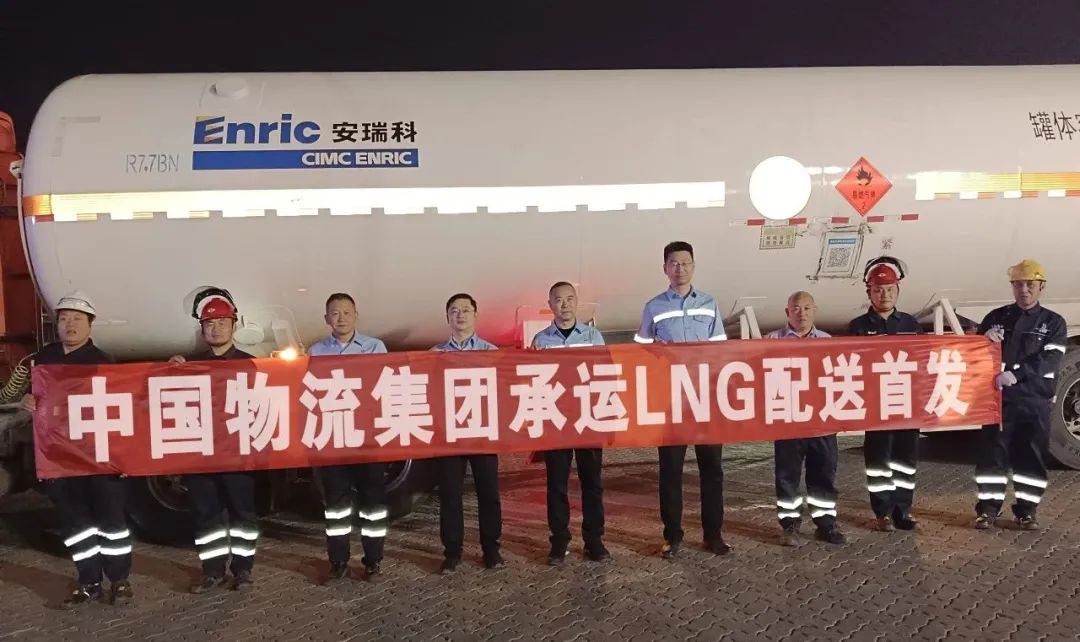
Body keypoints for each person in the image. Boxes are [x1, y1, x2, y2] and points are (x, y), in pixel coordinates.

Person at [24, 291, 134, 608]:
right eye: (64, 318)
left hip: (98, 457)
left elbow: (122, 408)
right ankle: (89, 582)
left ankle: (120, 581)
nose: (69, 324)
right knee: (75, 525)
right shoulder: (44, 360)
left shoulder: (103, 362)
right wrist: (28, 401)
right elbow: (35, 399)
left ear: (90, 324)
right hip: (60, 459)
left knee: (111, 523)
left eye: (77, 319)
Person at [635, 241, 730, 558]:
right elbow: (641, 351)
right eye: (674, 264)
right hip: (672, 401)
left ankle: (713, 535)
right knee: (671, 471)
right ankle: (672, 536)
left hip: (704, 399)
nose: (680, 269)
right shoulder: (653, 307)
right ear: (665, 268)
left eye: (685, 263)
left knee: (712, 470)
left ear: (693, 266)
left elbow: (720, 348)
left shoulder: (709, 303)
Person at [168, 287, 259, 593]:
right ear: (202, 328)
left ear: (234, 325)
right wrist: (172, 371)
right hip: (202, 455)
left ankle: (243, 570)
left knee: (242, 514)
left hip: (237, 454)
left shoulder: (250, 364)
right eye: (210, 324)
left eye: (222, 322)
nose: (216, 328)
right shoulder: (189, 366)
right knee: (206, 515)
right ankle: (212, 571)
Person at [974, 259, 1066, 531]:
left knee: (1031, 458)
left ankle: (1026, 512)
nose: (1024, 290)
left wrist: (1017, 374)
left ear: (1041, 286)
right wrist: (983, 339)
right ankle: (987, 510)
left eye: (1030, 284)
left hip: (1032, 402)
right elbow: (974, 353)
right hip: (998, 401)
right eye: (1018, 284)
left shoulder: (1053, 323)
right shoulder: (996, 317)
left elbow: (1051, 359)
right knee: (992, 457)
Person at [308, 292, 390, 581]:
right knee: (336, 508)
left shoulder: (375, 347)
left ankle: (373, 560)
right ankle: (338, 562)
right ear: (326, 318)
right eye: (335, 313)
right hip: (333, 440)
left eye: (346, 312)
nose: (341, 318)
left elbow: (385, 387)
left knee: (373, 506)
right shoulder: (315, 352)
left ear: (356, 315)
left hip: (368, 439)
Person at [531, 281, 610, 564]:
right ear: (549, 305)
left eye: (569, 299)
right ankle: (559, 541)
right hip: (556, 421)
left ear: (577, 302)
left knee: (592, 484)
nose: (564, 305)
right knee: (557, 485)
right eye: (558, 300)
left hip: (587, 419)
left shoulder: (593, 336)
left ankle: (594, 541)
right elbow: (532, 380)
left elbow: (604, 374)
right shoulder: (541, 341)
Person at [766, 292, 846, 546]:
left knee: (823, 474)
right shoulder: (772, 341)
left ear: (815, 310)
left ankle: (826, 525)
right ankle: (790, 526)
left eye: (807, 308)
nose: (802, 313)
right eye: (796, 308)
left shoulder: (827, 341)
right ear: (787, 312)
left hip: (821, 422)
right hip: (788, 422)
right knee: (787, 476)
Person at [848, 256, 922, 532]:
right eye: (878, 290)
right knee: (879, 461)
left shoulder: (911, 324)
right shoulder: (858, 327)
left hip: (905, 404)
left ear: (898, 291)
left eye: (890, 289)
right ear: (869, 292)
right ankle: (882, 512)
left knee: (905, 460)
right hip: (876, 405)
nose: (885, 295)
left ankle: (903, 510)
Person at [431, 293, 503, 573]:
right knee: (450, 495)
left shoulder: (492, 352)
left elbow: (503, 391)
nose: (460, 315)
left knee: (488, 493)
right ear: (447, 317)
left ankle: (491, 550)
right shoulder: (434, 355)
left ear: (475, 315)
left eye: (465, 310)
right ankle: (452, 552)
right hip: (449, 435)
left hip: (483, 433)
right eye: (454, 310)